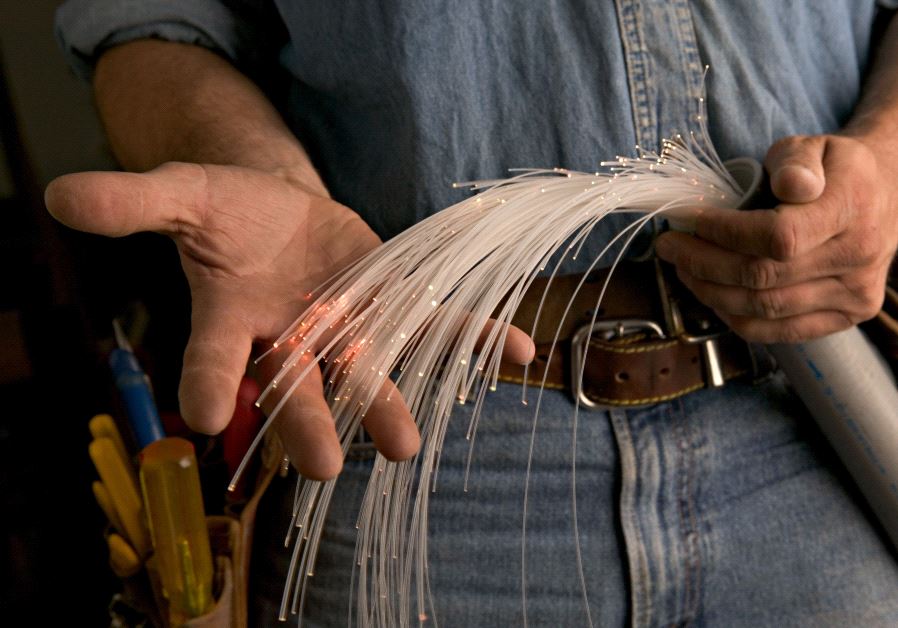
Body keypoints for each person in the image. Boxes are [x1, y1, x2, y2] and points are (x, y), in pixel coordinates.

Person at [49, 1, 898, 625]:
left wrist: (886, 162)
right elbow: (147, 22)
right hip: (421, 426)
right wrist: (251, 163)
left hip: (822, 413)